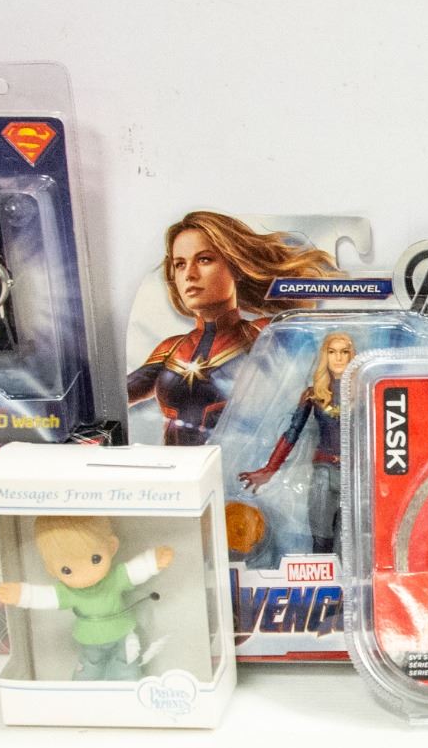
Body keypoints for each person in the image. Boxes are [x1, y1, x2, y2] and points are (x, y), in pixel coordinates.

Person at [127, 211, 336, 446]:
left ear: (235, 267)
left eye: (204, 259)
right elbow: (116, 399)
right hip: (178, 467)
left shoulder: (264, 334)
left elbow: (330, 370)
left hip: (245, 464)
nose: (189, 274)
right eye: (180, 264)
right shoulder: (171, 349)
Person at [0, 516, 174, 681]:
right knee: (88, 670)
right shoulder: (69, 592)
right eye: (67, 570)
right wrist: (22, 594)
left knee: (127, 665)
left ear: (111, 546)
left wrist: (152, 561)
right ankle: (83, 695)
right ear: (50, 569)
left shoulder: (114, 578)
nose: (85, 575)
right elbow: (45, 596)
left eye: (95, 559)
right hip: (90, 640)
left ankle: (127, 692)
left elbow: (134, 570)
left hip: (122, 634)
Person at [239, 332, 353, 553]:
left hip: (355, 474)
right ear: (325, 356)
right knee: (321, 539)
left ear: (351, 355)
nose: (338, 358)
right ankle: (322, 576)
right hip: (324, 472)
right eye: (332, 352)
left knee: (347, 542)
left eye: (344, 352)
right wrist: (269, 469)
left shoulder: (364, 392)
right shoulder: (313, 394)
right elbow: (293, 432)